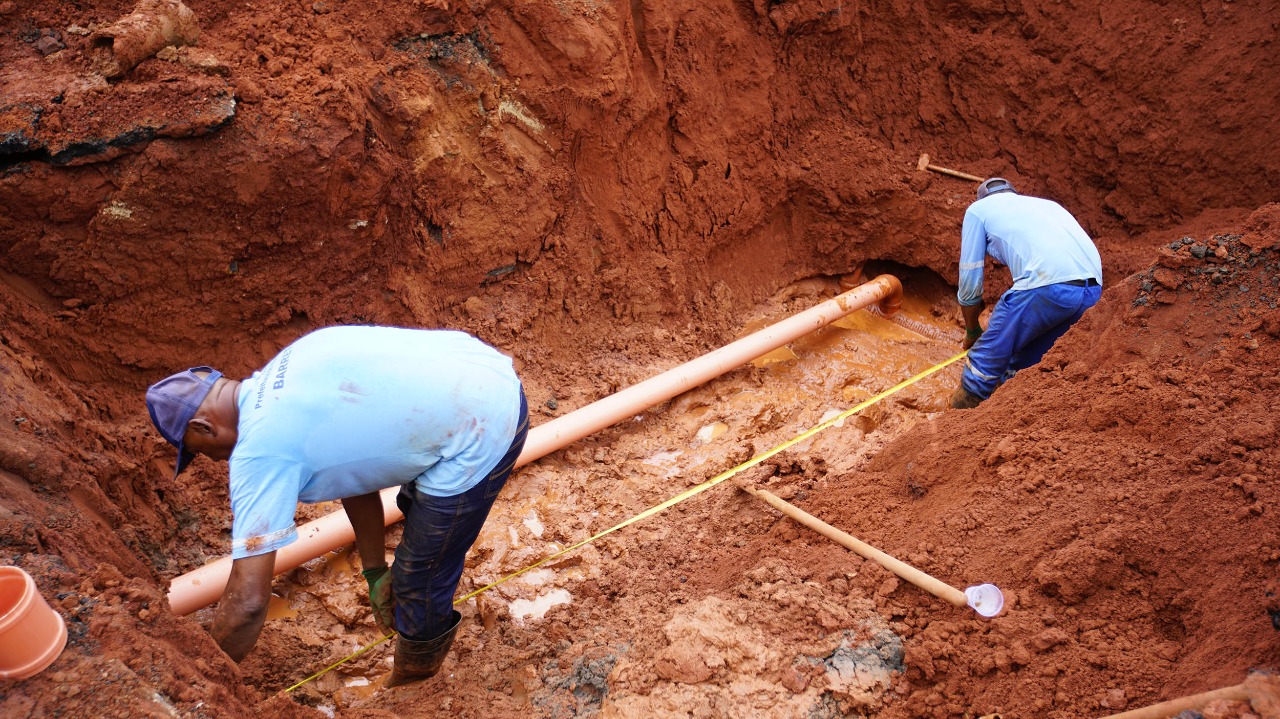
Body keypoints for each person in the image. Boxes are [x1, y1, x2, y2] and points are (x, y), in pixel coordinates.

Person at [145, 325, 528, 687]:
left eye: (198, 452)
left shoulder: (258, 451)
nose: (211, 461)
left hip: (486, 424)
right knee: (414, 512)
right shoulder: (287, 366)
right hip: (480, 369)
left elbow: (247, 600)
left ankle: (416, 679)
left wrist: (206, 685)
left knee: (419, 575)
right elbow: (355, 474)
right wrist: (376, 572)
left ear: (204, 427)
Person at [951, 178, 1103, 408]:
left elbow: (970, 284)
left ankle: (952, 428)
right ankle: (1005, 425)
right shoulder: (1047, 206)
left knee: (982, 367)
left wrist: (972, 330)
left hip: (1047, 284)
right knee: (1022, 368)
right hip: (1091, 291)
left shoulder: (978, 211)